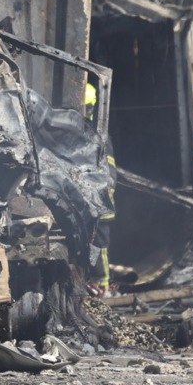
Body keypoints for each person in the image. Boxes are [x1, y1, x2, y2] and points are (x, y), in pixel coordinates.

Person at [85, 82, 116, 298]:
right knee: (90, 241)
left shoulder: (97, 136)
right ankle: (91, 282)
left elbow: (108, 173)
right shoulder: (87, 132)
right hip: (92, 198)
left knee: (99, 243)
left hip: (101, 198)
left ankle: (101, 284)